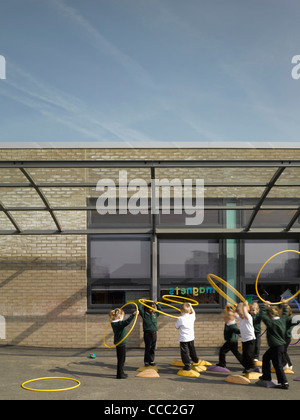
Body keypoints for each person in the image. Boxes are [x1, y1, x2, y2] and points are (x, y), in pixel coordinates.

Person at [259, 299, 289, 389]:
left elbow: (262, 315)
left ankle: (284, 382)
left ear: (271, 315)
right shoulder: (282, 320)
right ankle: (266, 376)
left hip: (276, 347)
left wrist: (264, 305)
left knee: (277, 365)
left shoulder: (271, 322)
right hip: (279, 346)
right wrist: (285, 304)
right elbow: (285, 313)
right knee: (266, 357)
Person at [109, 307, 138, 379]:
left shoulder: (116, 323)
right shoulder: (117, 324)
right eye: (122, 316)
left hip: (121, 343)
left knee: (122, 359)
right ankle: (119, 375)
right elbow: (127, 322)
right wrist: (133, 315)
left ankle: (121, 372)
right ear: (119, 316)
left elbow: (124, 322)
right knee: (121, 360)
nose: (123, 317)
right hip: (120, 343)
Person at [175, 302, 199, 371]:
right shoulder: (192, 316)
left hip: (183, 339)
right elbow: (194, 312)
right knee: (192, 349)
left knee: (185, 352)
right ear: (190, 311)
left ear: (181, 311)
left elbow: (176, 327)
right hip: (191, 337)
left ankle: (187, 365)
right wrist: (190, 305)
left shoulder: (180, 319)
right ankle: (195, 360)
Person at [234, 301, 256, 373]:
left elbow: (245, 314)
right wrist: (234, 308)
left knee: (249, 354)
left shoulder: (248, 317)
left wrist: (245, 305)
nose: (240, 316)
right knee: (245, 355)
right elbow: (235, 315)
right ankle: (247, 367)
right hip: (245, 340)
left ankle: (252, 367)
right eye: (239, 314)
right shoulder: (241, 318)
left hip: (250, 339)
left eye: (241, 314)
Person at [138, 299, 162, 366]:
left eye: (153, 308)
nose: (153, 310)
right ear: (146, 309)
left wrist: (157, 304)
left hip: (154, 333)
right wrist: (142, 302)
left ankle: (151, 361)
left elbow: (160, 311)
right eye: (151, 309)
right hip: (147, 333)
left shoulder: (155, 314)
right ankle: (146, 361)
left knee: (153, 347)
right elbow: (140, 309)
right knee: (148, 347)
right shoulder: (144, 314)